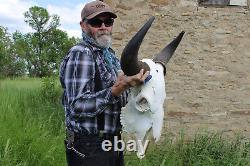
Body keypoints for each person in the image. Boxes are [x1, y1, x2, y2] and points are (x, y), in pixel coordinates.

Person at [59, 1, 149, 165]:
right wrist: (119, 88)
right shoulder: (82, 53)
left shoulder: (109, 56)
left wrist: (137, 88)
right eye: (95, 22)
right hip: (88, 146)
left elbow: (121, 97)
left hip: (111, 143)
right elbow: (77, 106)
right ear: (83, 25)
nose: (103, 26)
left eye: (108, 22)